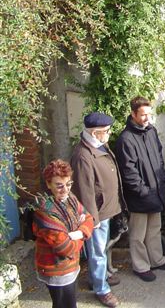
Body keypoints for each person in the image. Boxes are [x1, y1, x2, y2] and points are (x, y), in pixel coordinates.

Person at [114, 96, 165, 282]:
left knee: (155, 229)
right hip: (139, 196)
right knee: (138, 234)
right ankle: (141, 266)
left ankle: (157, 260)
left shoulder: (151, 131)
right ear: (133, 114)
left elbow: (159, 156)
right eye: (143, 115)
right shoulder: (126, 139)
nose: (147, 118)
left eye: (149, 113)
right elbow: (129, 172)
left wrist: (162, 180)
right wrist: (143, 191)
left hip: (156, 191)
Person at [70, 112, 123, 307]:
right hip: (97, 214)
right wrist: (93, 219)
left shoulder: (98, 145)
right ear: (95, 133)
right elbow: (85, 191)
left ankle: (97, 278)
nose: (109, 134)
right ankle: (101, 289)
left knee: (100, 249)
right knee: (97, 251)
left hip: (106, 209)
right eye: (106, 131)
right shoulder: (83, 156)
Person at [33, 160, 95, 308]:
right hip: (56, 269)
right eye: (59, 185)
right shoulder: (45, 209)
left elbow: (89, 218)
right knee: (64, 305)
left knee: (70, 303)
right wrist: (83, 233)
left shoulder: (70, 198)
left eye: (68, 184)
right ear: (48, 184)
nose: (65, 190)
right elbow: (65, 247)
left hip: (71, 266)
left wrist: (77, 233)